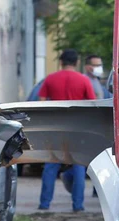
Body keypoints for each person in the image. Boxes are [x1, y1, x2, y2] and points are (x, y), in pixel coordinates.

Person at [37, 49, 95, 212]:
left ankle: (44, 204)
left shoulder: (50, 79)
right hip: (77, 129)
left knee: (50, 167)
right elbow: (92, 106)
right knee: (78, 168)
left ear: (61, 62)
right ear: (77, 62)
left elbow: (41, 103)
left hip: (55, 127)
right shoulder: (83, 80)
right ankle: (78, 206)